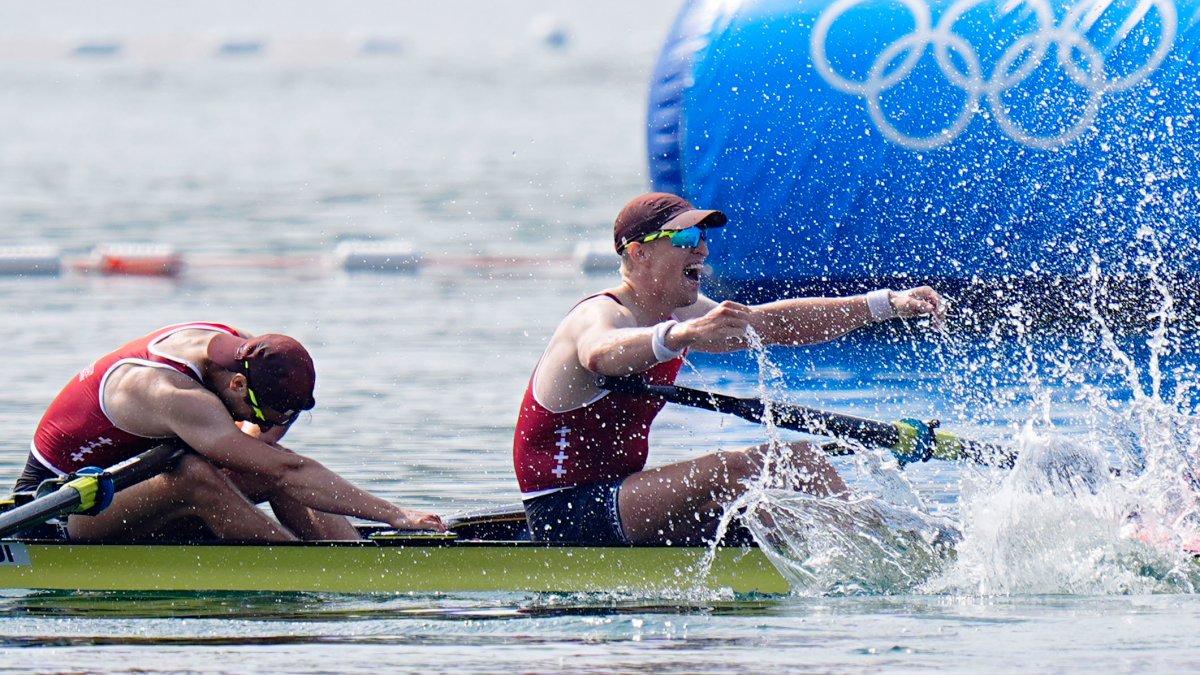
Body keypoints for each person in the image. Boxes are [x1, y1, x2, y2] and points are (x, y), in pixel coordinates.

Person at [513, 193, 946, 545]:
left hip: (623, 495)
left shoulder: (681, 313)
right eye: (684, 237)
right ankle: (888, 546)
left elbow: (775, 323)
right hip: (568, 511)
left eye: (702, 236)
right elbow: (599, 354)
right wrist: (679, 336)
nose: (701, 247)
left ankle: (900, 541)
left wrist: (882, 304)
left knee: (780, 506)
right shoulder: (598, 316)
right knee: (755, 465)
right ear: (640, 253)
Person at [15, 321, 444, 541]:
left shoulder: (245, 350)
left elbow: (277, 457)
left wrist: (264, 447)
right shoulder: (174, 394)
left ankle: (351, 559)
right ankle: (303, 571)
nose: (271, 427)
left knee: (264, 467)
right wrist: (395, 514)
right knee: (197, 475)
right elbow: (288, 470)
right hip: (57, 510)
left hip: (135, 483)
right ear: (238, 385)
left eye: (282, 418)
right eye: (265, 415)